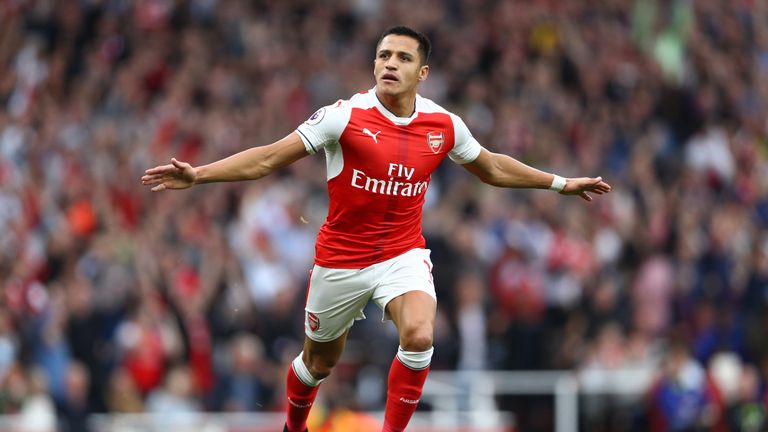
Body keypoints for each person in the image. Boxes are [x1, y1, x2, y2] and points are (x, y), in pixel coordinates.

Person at [141, 25, 612, 432]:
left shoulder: (443, 125)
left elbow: (491, 167)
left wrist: (560, 183)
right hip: (341, 259)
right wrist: (199, 174)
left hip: (403, 255)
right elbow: (267, 157)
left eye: (403, 58)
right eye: (384, 55)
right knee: (317, 364)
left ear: (421, 73)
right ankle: (293, 424)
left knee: (421, 336)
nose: (390, 64)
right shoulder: (343, 117)